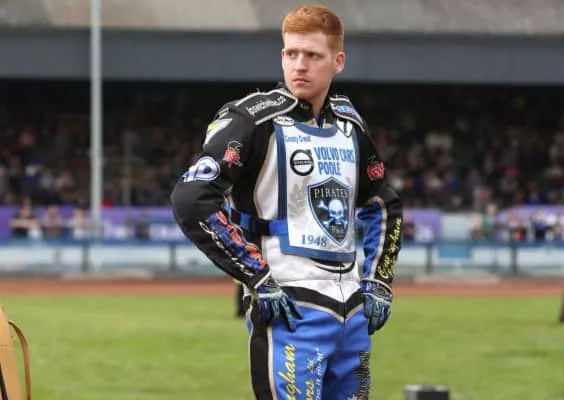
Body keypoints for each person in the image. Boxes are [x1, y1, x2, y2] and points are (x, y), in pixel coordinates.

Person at [170, 5, 403, 399]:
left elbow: (384, 204)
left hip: (353, 316)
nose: (300, 65)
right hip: (290, 308)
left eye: (312, 55)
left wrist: (379, 281)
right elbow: (192, 198)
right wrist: (256, 275)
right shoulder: (252, 120)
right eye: (291, 53)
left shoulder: (350, 124)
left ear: (338, 62)